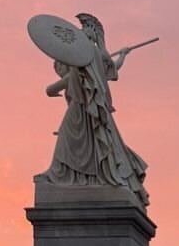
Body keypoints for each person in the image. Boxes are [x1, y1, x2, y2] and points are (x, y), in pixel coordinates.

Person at [44, 13, 149, 204]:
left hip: (89, 108)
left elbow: (110, 68)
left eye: (86, 27)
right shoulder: (81, 54)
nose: (82, 30)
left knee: (73, 140)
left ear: (94, 32)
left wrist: (122, 55)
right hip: (81, 106)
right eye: (82, 27)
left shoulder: (92, 54)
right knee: (72, 141)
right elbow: (73, 75)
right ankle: (64, 175)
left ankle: (61, 174)